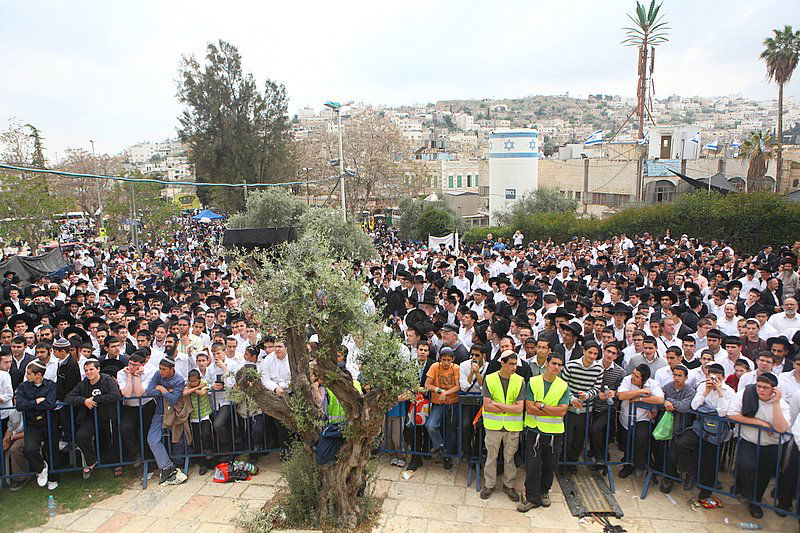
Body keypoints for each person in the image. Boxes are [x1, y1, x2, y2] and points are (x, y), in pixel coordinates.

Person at [729, 372, 790, 519]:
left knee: (763, 474)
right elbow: (732, 414)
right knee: (745, 465)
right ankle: (742, 488)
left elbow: (781, 428)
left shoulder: (782, 404)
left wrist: (775, 403)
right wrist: (761, 423)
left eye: (765, 387)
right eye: (759, 386)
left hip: (771, 444)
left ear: (774, 389)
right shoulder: (746, 394)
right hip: (749, 439)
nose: (761, 390)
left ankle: (755, 501)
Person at [517, 353, 569, 512]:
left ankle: (544, 491)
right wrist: (551, 410)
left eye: (559, 365)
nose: (556, 367)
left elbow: (562, 411)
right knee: (532, 465)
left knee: (550, 464)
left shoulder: (563, 386)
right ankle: (532, 498)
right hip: (534, 430)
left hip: (554, 432)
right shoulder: (533, 382)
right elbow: (529, 408)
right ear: (547, 363)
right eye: (554, 363)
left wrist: (541, 406)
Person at [480, 350, 524, 502]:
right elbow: (487, 406)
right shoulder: (490, 379)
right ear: (502, 363)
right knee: (491, 456)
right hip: (493, 425)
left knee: (510, 457)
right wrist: (509, 407)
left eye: (515, 364)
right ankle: (489, 485)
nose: (514, 367)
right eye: (511, 364)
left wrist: (498, 405)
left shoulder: (520, 380)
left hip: (512, 426)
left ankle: (508, 485)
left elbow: (519, 408)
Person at [66, 358, 122, 477]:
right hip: (91, 417)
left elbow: (115, 395)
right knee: (81, 436)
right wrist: (84, 400)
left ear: (98, 369)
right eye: (86, 370)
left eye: (91, 369)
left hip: (108, 415)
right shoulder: (84, 383)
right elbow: (69, 397)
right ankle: (92, 461)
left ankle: (117, 464)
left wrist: (96, 399)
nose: (89, 372)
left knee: (112, 440)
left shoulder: (106, 380)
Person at [560, 341, 603, 471]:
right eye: (590, 352)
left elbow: (596, 388)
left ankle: (573, 463)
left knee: (579, 439)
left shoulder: (599, 369)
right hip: (569, 408)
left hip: (586, 410)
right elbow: (563, 385)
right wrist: (572, 398)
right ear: (584, 351)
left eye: (595, 354)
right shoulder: (571, 365)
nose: (592, 356)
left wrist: (588, 395)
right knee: (567, 438)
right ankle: (563, 463)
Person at [16, 360, 59, 490]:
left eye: (29, 373)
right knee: (29, 449)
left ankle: (54, 478)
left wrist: (30, 405)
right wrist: (36, 401)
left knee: (52, 450)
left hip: (49, 422)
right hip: (32, 424)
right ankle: (41, 468)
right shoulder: (23, 387)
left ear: (38, 375)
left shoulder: (51, 385)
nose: (26, 375)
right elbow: (20, 405)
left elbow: (50, 404)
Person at [145, 357, 188, 485]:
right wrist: (167, 392)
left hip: (175, 414)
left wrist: (162, 389)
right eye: (160, 368)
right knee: (152, 440)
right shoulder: (157, 375)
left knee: (177, 438)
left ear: (172, 369)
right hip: (160, 413)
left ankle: (179, 463)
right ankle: (167, 466)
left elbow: (174, 399)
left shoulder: (179, 380)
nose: (161, 371)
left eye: (164, 369)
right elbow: (149, 392)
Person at [617, 364, 664, 478]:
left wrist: (640, 399)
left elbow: (660, 399)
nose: (633, 377)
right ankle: (627, 465)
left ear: (644, 379)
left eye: (636, 376)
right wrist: (640, 391)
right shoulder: (627, 380)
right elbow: (621, 395)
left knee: (641, 438)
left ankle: (640, 465)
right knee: (627, 442)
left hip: (643, 417)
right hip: (626, 417)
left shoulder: (652, 384)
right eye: (633, 373)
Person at [657, 364, 696, 493]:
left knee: (673, 454)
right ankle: (664, 473)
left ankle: (669, 478)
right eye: (674, 375)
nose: (676, 378)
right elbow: (659, 399)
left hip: (680, 427)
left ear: (686, 377)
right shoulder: (668, 386)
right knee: (662, 451)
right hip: (665, 425)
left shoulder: (690, 391)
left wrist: (669, 401)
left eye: (680, 375)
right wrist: (665, 402)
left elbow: (684, 407)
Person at [424, 346, 460, 470]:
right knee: (431, 425)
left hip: (452, 403)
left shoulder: (456, 368)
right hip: (438, 403)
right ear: (440, 358)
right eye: (444, 360)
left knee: (450, 431)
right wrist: (441, 391)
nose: (446, 363)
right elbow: (427, 385)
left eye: (448, 360)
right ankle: (440, 446)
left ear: (452, 359)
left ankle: (447, 456)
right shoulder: (435, 366)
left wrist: (446, 393)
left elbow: (458, 386)